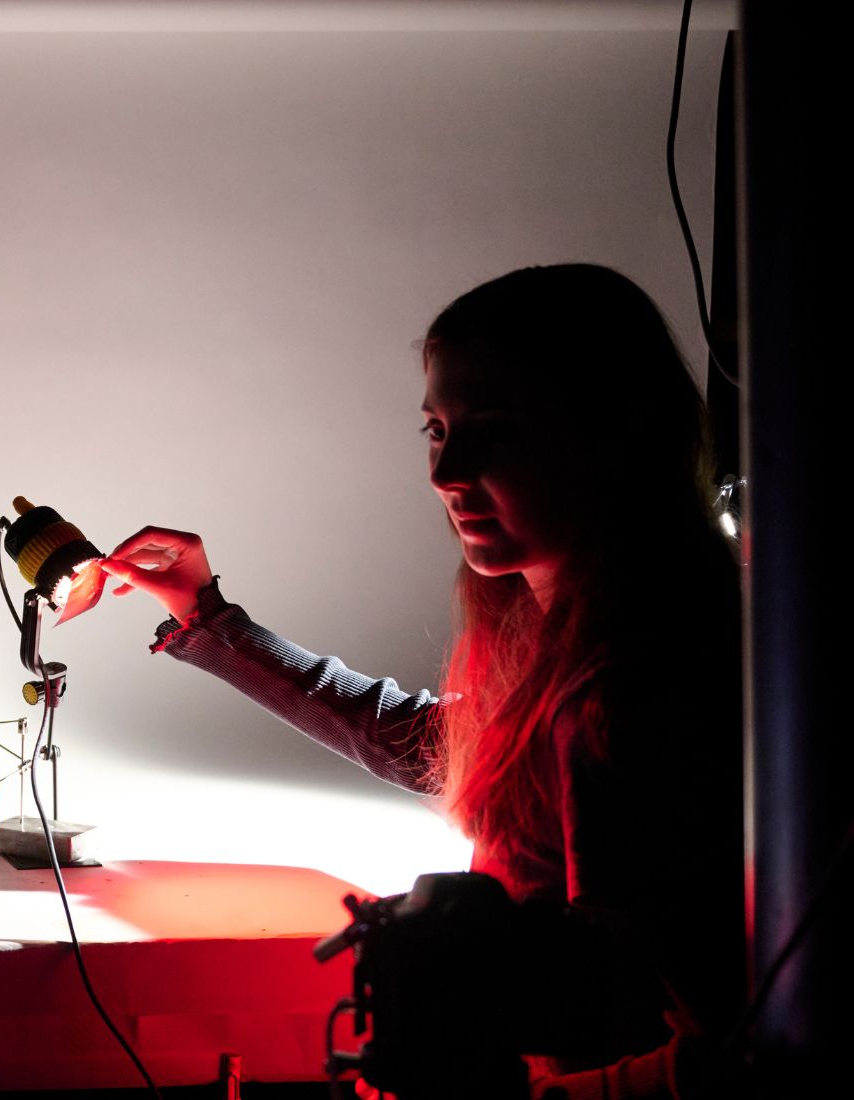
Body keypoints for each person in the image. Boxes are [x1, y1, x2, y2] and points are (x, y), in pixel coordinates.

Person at [100, 264, 744, 1100]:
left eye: (497, 430)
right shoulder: (561, 642)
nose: (447, 472)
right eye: (437, 430)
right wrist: (209, 618)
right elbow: (434, 742)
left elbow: (721, 1050)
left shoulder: (632, 691)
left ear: (615, 434)